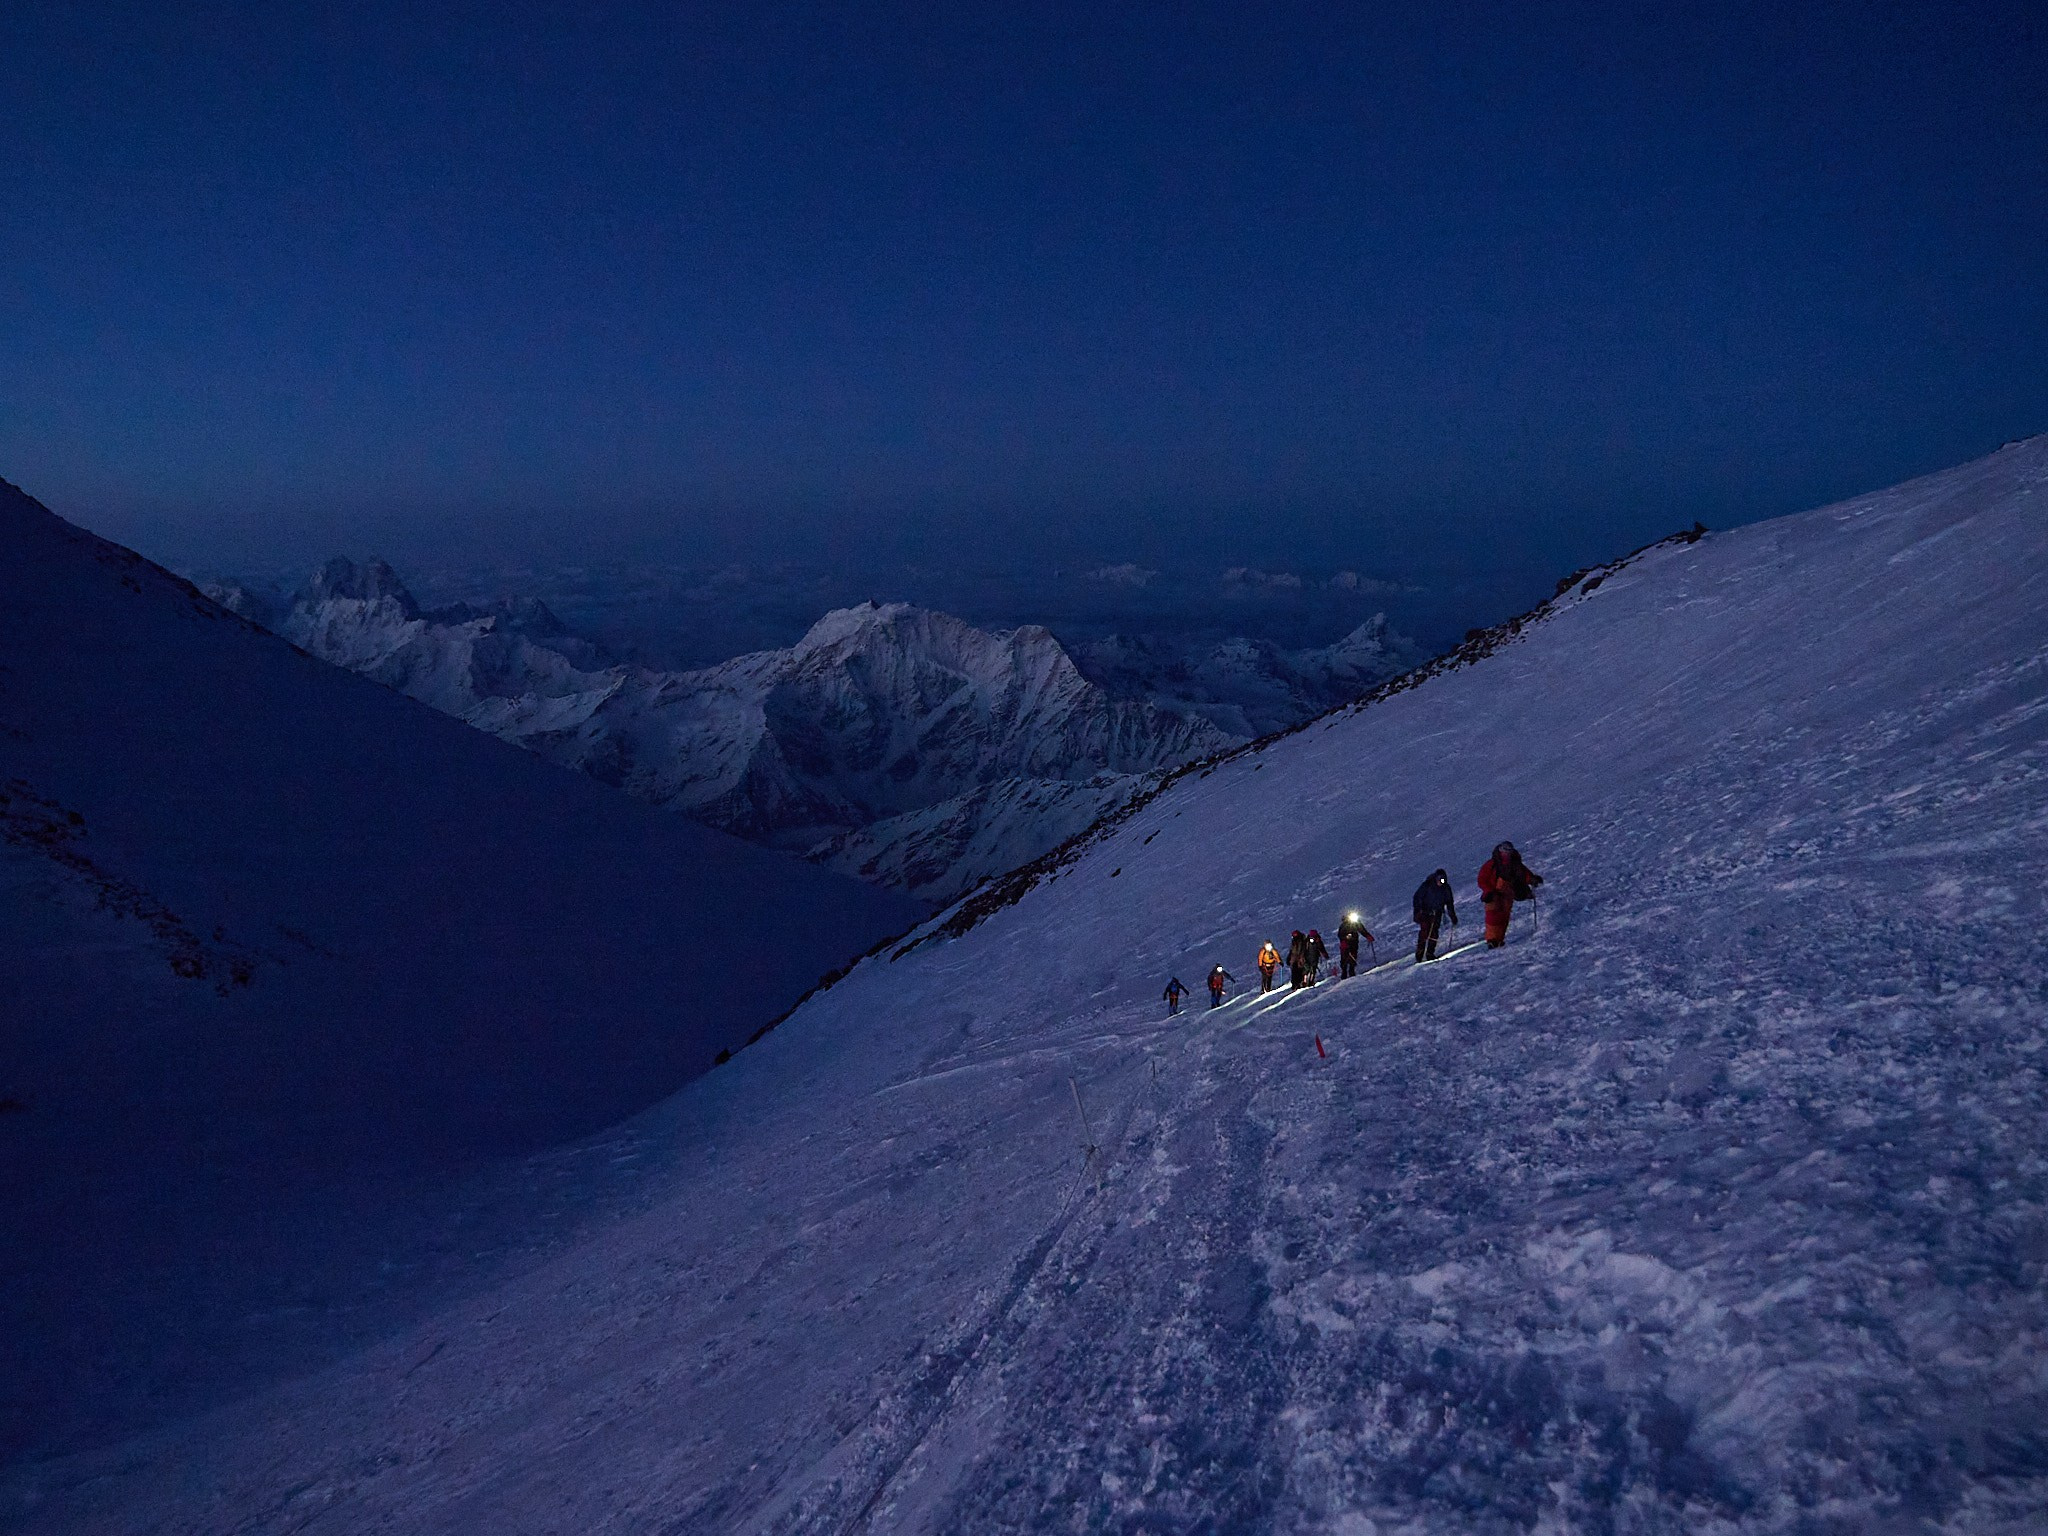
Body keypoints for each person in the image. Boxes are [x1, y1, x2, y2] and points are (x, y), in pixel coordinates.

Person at [1478, 841, 1544, 948]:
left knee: (1504, 916)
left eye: (1508, 851)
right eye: (1504, 851)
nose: (1506, 854)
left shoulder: (1515, 864)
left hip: (1508, 892)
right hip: (1493, 893)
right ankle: (1492, 940)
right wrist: (1488, 890)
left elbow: (1524, 874)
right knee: (1493, 916)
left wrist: (1532, 879)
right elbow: (1482, 879)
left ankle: (1499, 939)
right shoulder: (1492, 864)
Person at [1412, 869, 1457, 962]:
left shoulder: (1446, 888)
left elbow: (1449, 903)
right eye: (1440, 879)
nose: (1441, 881)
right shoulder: (1427, 885)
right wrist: (1418, 910)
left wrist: (1452, 915)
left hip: (1437, 913)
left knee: (1434, 933)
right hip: (1425, 912)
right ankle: (1419, 954)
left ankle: (1430, 953)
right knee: (1424, 933)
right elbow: (1417, 897)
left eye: (1443, 879)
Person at [1336, 911, 1373, 977]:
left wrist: (1368, 936)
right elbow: (1340, 935)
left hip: (1353, 943)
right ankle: (1344, 972)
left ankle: (1351, 971)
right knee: (1344, 958)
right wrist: (1345, 938)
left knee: (1353, 956)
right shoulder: (1343, 925)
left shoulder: (1355, 924)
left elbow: (1362, 930)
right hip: (1345, 944)